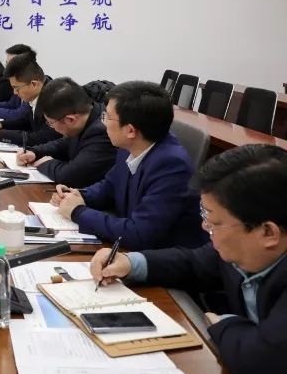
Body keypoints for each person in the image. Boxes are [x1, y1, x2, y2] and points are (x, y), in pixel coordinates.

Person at [89, 144, 287, 374]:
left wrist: (224, 325)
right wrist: (130, 262)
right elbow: (194, 262)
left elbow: (264, 365)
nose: (205, 227)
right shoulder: (244, 247)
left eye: (214, 222)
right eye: (204, 215)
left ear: (268, 233)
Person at [52, 81, 207, 250]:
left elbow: (140, 233)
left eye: (107, 117)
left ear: (131, 131)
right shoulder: (130, 146)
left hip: (163, 257)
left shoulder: (172, 166)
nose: (103, 122)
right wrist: (79, 196)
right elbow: (110, 186)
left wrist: (77, 212)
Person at [17, 77, 116, 188]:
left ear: (70, 120)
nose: (51, 127)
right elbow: (65, 142)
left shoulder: (102, 131)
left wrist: (45, 164)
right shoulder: (87, 114)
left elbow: (71, 176)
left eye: (50, 123)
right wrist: (35, 152)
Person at [0, 51, 60, 146]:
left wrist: (2, 135)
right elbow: (27, 122)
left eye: (16, 88)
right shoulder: (37, 92)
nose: (15, 93)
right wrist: (1, 124)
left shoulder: (55, 99)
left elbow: (43, 137)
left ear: (33, 84)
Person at [0, 44, 34, 122]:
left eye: (11, 64)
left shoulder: (32, 84)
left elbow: (20, 115)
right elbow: (11, 104)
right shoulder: (19, 82)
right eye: (7, 63)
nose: (7, 68)